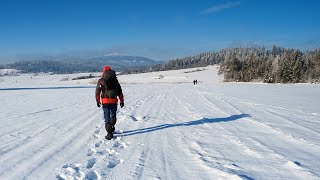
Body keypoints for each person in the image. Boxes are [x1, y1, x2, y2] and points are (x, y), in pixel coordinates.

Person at [95, 66, 124, 140]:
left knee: (107, 117)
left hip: (105, 102)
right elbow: (120, 92)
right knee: (113, 115)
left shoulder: (101, 80)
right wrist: (122, 101)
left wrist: (98, 101)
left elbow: (97, 92)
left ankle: (109, 133)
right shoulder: (115, 80)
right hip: (114, 100)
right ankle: (112, 126)